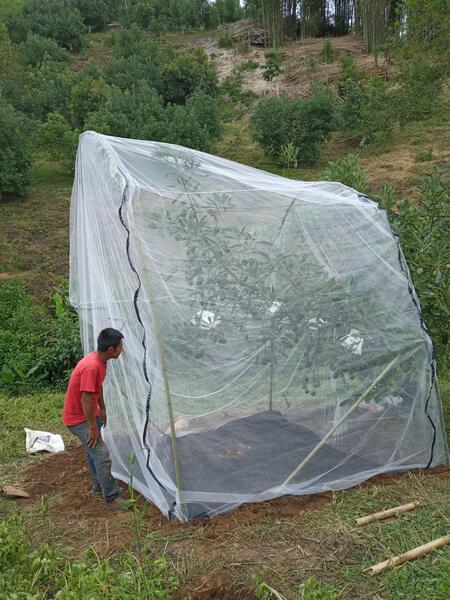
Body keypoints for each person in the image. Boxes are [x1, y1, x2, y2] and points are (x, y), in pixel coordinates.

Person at [62, 327, 124, 509]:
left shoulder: (100, 361)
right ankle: (111, 498)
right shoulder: (92, 366)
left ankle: (98, 486)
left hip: (88, 414)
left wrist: (102, 408)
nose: (122, 350)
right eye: (120, 346)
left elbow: (97, 388)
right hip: (78, 419)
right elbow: (86, 398)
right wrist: (92, 427)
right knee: (102, 455)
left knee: (93, 452)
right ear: (110, 350)